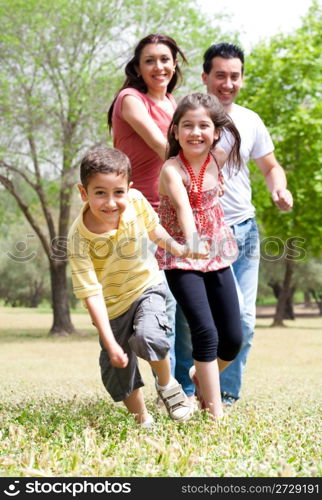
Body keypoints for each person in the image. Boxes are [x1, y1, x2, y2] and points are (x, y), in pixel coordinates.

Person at [174, 42, 293, 405]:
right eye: (220, 75)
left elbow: (270, 167)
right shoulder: (186, 118)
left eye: (234, 76)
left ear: (241, 79)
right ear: (205, 76)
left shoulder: (250, 120)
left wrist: (279, 188)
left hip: (241, 229)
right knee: (188, 321)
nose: (228, 83)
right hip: (196, 233)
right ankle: (184, 394)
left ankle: (224, 394)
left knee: (242, 318)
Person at [67, 146, 202, 426]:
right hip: (111, 306)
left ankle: (168, 388)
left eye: (118, 192)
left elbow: (154, 230)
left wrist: (178, 249)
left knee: (149, 335)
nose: (111, 202)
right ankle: (143, 420)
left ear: (129, 189)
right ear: (84, 193)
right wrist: (108, 339)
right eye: (100, 193)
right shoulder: (78, 238)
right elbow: (90, 292)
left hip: (146, 287)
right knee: (118, 369)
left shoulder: (137, 201)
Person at [156, 93, 243, 419]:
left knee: (233, 339)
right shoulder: (171, 169)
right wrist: (192, 240)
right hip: (181, 255)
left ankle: (198, 375)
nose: (196, 133)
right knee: (205, 331)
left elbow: (214, 195)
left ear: (216, 131)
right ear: (175, 131)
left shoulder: (218, 158)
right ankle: (214, 415)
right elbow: (182, 209)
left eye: (203, 126)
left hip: (217, 253)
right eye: (187, 126)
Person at [107, 34, 187, 380]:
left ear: (175, 64)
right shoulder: (130, 99)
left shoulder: (173, 102)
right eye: (150, 60)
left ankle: (177, 383)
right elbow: (162, 146)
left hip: (169, 215)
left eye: (165, 59)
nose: (159, 67)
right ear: (138, 67)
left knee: (175, 303)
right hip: (136, 216)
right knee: (146, 300)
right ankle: (156, 386)